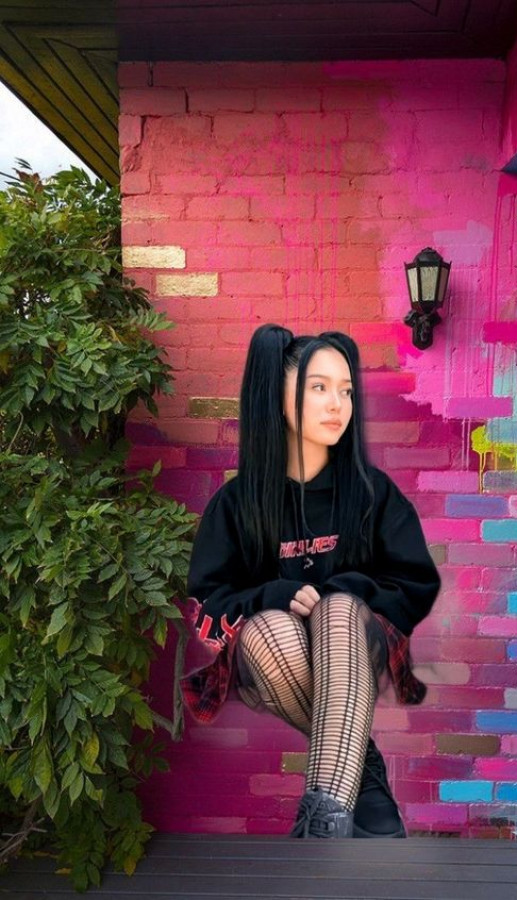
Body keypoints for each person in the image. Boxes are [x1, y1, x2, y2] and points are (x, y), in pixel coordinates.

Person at [181, 324, 440, 838]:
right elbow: (208, 607)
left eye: (345, 390)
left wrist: (344, 590)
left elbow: (415, 583)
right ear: (278, 398)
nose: (336, 404)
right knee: (270, 626)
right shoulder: (236, 506)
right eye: (318, 387)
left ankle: (319, 836)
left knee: (338, 609)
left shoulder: (372, 494)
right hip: (269, 659)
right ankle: (361, 768)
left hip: (356, 647)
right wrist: (270, 595)